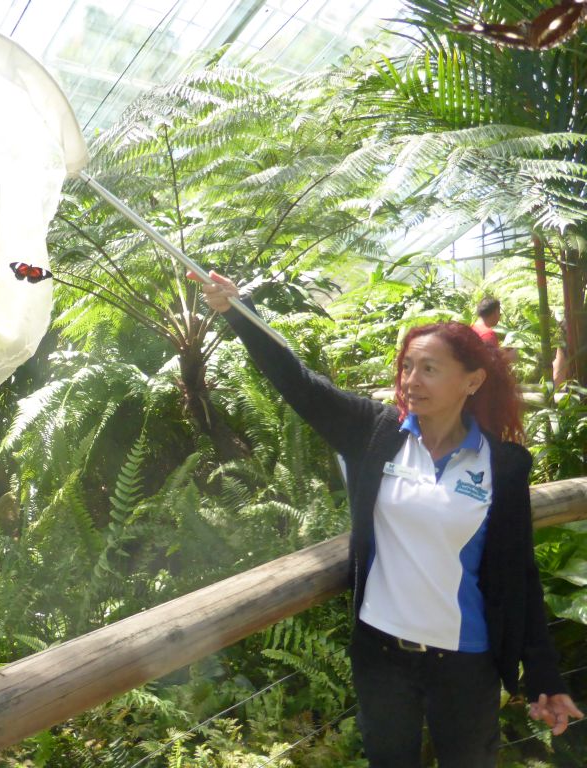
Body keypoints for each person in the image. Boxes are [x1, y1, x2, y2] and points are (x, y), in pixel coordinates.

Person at [188, 270, 582, 768]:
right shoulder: (378, 433)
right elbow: (301, 385)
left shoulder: (501, 465)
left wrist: (544, 677)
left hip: (466, 663)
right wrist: (239, 313)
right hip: (380, 653)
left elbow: (519, 575)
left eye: (430, 369)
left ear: (472, 380)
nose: (411, 381)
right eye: (407, 367)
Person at [472, 296, 517, 365]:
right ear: (496, 313)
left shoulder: (472, 329)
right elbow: (492, 365)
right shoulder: (487, 334)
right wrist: (509, 358)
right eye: (499, 313)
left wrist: (501, 350)